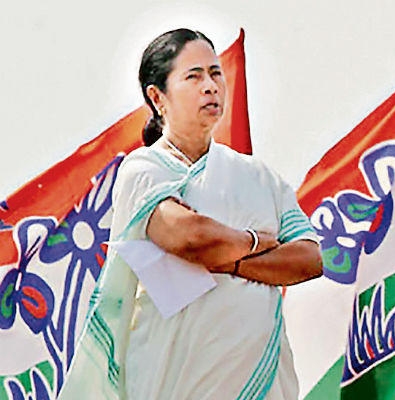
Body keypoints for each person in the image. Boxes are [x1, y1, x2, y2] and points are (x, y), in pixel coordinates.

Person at [59, 29, 322, 400]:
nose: (211, 86)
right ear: (158, 97)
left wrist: (227, 261)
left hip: (262, 383)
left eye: (215, 74)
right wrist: (255, 243)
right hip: (174, 383)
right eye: (194, 76)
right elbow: (192, 237)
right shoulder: (145, 168)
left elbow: (309, 258)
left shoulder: (259, 177)